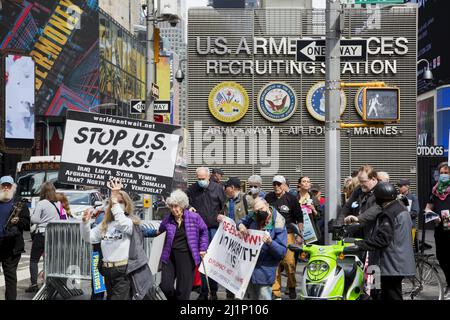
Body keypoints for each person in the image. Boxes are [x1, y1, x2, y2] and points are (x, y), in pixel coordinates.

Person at [81, 178, 153, 300]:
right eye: (115, 202)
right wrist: (85, 223)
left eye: (121, 202)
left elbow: (121, 221)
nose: (117, 204)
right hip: (107, 270)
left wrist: (113, 198)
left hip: (123, 271)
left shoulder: (130, 222)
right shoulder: (105, 224)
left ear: (126, 205)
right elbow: (89, 238)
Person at [345, 182, 415, 300]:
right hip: (397, 261)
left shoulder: (388, 213)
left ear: (379, 198)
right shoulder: (400, 208)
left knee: (392, 295)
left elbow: (382, 240)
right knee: (380, 293)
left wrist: (359, 245)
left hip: (390, 264)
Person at [158, 190, 209, 300]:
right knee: (165, 287)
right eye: (171, 207)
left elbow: (204, 231)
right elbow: (160, 231)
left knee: (183, 291)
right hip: (169, 257)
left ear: (182, 205)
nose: (173, 209)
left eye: (176, 206)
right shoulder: (167, 220)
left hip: (187, 256)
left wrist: (203, 248)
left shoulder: (194, 217)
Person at [186, 167, 226, 300]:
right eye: (198, 179)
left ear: (209, 177)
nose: (201, 181)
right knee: (202, 260)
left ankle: (213, 291)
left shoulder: (218, 189)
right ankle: (204, 291)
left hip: (214, 229)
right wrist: (188, 207)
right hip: (198, 230)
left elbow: (224, 206)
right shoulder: (192, 189)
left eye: (203, 179)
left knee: (213, 260)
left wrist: (221, 215)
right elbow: (184, 202)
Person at [237, 198, 287, 300]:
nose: (259, 213)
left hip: (265, 271)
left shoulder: (278, 222)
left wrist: (270, 242)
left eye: (261, 209)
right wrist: (241, 225)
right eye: (256, 211)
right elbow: (241, 221)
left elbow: (282, 252)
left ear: (267, 205)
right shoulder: (253, 216)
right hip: (249, 270)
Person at [265, 175, 303, 299]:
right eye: (274, 184)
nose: (276, 187)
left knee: (289, 262)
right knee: (274, 263)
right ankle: (276, 292)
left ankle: (291, 286)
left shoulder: (291, 199)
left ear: (284, 185)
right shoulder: (268, 197)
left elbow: (299, 218)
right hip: (273, 234)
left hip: (288, 234)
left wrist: (299, 235)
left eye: (279, 184)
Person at [217, 177, 254, 299]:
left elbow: (253, 218)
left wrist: (244, 228)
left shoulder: (246, 199)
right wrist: (221, 218)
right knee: (229, 267)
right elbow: (226, 217)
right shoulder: (227, 201)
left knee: (242, 269)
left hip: (244, 240)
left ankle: (243, 293)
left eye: (226, 187)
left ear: (232, 188)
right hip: (230, 241)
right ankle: (230, 294)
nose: (224, 189)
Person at [26, 181, 61, 293]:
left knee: (34, 259)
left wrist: (36, 218)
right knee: (49, 259)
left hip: (41, 234)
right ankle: (48, 283)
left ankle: (34, 284)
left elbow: (35, 220)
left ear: (43, 191)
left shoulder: (41, 203)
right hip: (54, 235)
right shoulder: (57, 203)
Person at [0, 176, 30, 300]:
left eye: (8, 185)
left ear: (13, 187)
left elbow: (27, 224)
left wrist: (18, 221)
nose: (6, 187)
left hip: (12, 246)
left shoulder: (19, 203)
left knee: (10, 278)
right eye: (3, 185)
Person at [424, 162, 450, 299]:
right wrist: (432, 215)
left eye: (446, 173)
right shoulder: (435, 190)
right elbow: (428, 208)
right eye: (442, 173)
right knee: (442, 257)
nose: (444, 175)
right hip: (440, 229)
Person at [339, 165, 381, 239]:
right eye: (360, 181)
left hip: (374, 232)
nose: (361, 184)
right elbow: (347, 207)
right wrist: (339, 222)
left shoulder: (382, 190)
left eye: (363, 181)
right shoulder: (358, 190)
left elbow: (377, 208)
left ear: (373, 179)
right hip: (359, 232)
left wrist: (358, 218)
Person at [397, 179, 420, 248]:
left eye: (401, 186)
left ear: (407, 186)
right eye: (398, 186)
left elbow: (415, 212)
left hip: (410, 227)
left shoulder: (413, 198)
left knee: (408, 247)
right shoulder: (397, 197)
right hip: (398, 226)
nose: (399, 188)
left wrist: (402, 214)